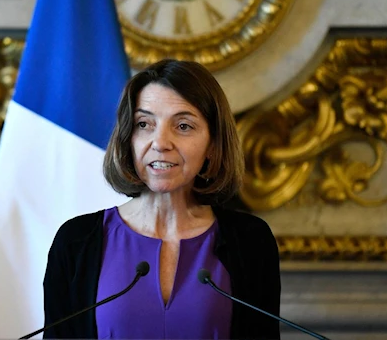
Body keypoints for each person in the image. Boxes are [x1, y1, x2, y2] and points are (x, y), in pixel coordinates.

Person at [42, 59, 281, 339]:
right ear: (127, 139)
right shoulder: (76, 241)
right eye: (144, 124)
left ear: (213, 146)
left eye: (183, 126)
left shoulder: (251, 241)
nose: (160, 143)